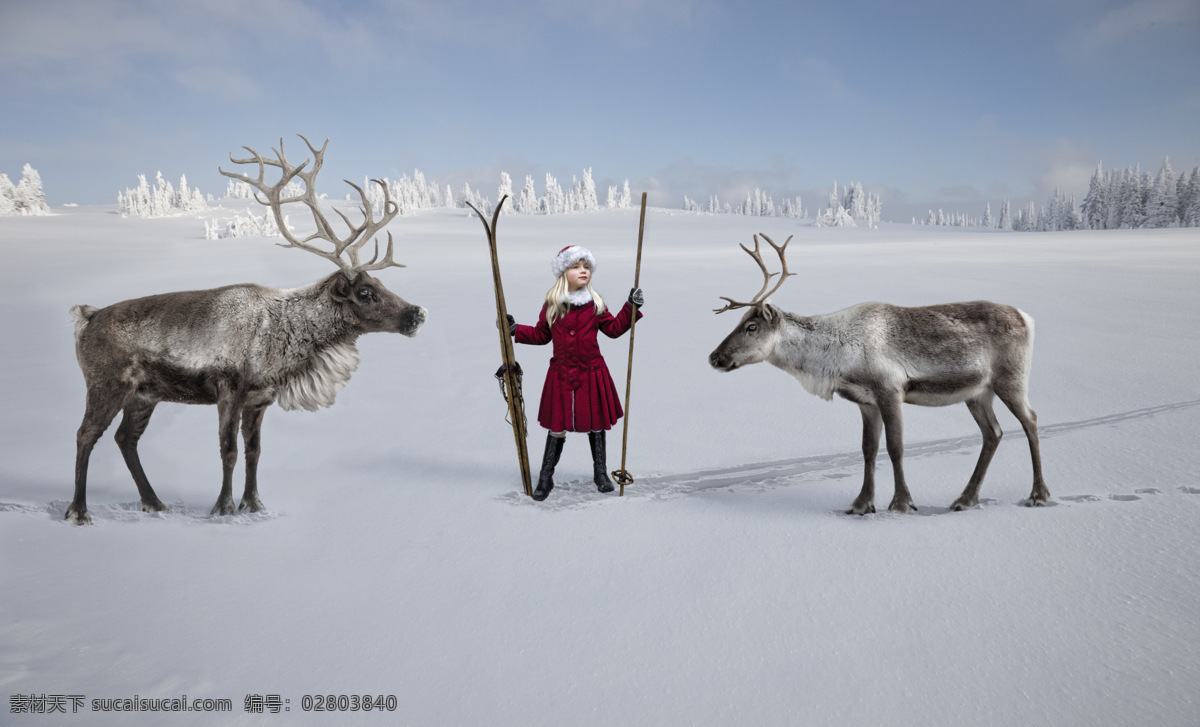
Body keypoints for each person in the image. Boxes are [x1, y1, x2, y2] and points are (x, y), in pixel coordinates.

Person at [507, 245, 644, 501]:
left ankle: (600, 473)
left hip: (592, 373)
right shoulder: (552, 304)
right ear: (563, 272)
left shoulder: (595, 303)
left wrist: (631, 308)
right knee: (556, 427)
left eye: (586, 267)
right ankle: (546, 477)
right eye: (575, 266)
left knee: (596, 425)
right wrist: (515, 330)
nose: (583, 271)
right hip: (561, 375)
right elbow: (541, 335)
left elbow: (614, 329)